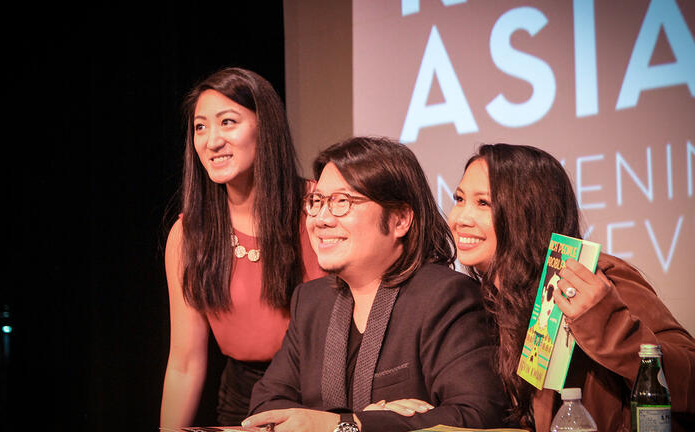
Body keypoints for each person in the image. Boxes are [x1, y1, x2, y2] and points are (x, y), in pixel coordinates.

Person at [445, 143, 695, 431]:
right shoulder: (496, 302)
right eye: (459, 199)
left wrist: (606, 322)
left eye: (483, 203)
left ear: (527, 213)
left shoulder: (596, 278)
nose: (460, 219)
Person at [243, 136, 509, 432]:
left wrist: (351, 424)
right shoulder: (310, 300)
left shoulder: (445, 296)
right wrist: (352, 421)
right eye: (317, 202)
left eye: (342, 202)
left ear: (400, 219)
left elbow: (476, 415)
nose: (320, 219)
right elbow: (265, 407)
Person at [160, 68, 324, 429]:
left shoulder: (316, 206)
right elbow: (184, 363)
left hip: (324, 393)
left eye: (228, 122)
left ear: (265, 127)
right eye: (200, 127)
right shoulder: (189, 234)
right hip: (244, 397)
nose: (211, 140)